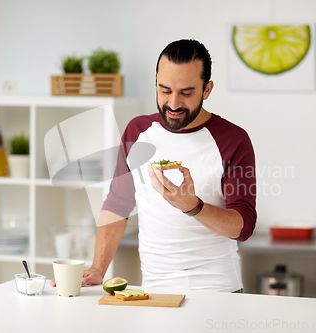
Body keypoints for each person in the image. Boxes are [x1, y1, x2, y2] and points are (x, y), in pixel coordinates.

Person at [51, 39, 257, 292]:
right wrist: (98, 268)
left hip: (217, 288)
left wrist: (194, 207)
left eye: (186, 92)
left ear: (207, 89)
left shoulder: (233, 140)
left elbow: (243, 226)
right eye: (165, 90)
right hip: (154, 289)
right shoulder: (137, 131)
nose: (173, 103)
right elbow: (118, 204)